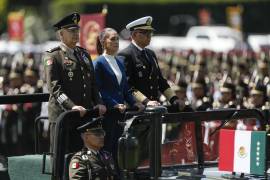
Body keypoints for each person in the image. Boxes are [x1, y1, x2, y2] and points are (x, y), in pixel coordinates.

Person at [43, 12, 106, 153]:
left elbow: (92, 83)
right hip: (63, 116)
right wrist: (72, 106)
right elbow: (55, 88)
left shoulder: (83, 54)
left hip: (83, 116)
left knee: (80, 157)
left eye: (77, 30)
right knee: (61, 159)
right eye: (71, 31)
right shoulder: (53, 55)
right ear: (61, 34)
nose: (76, 34)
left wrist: (99, 102)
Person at [94, 27, 144, 168]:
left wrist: (135, 102)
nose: (116, 42)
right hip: (108, 114)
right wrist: (113, 104)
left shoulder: (119, 62)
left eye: (117, 39)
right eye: (112, 39)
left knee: (118, 149)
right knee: (106, 149)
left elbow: (125, 89)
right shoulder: (98, 63)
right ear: (103, 42)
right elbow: (97, 90)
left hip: (120, 114)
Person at [118, 16, 182, 108]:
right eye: (145, 33)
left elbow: (160, 80)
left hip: (153, 107)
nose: (149, 36)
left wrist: (174, 99)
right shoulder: (126, 54)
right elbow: (127, 86)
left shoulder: (150, 54)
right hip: (137, 109)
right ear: (134, 35)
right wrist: (146, 101)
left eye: (150, 32)